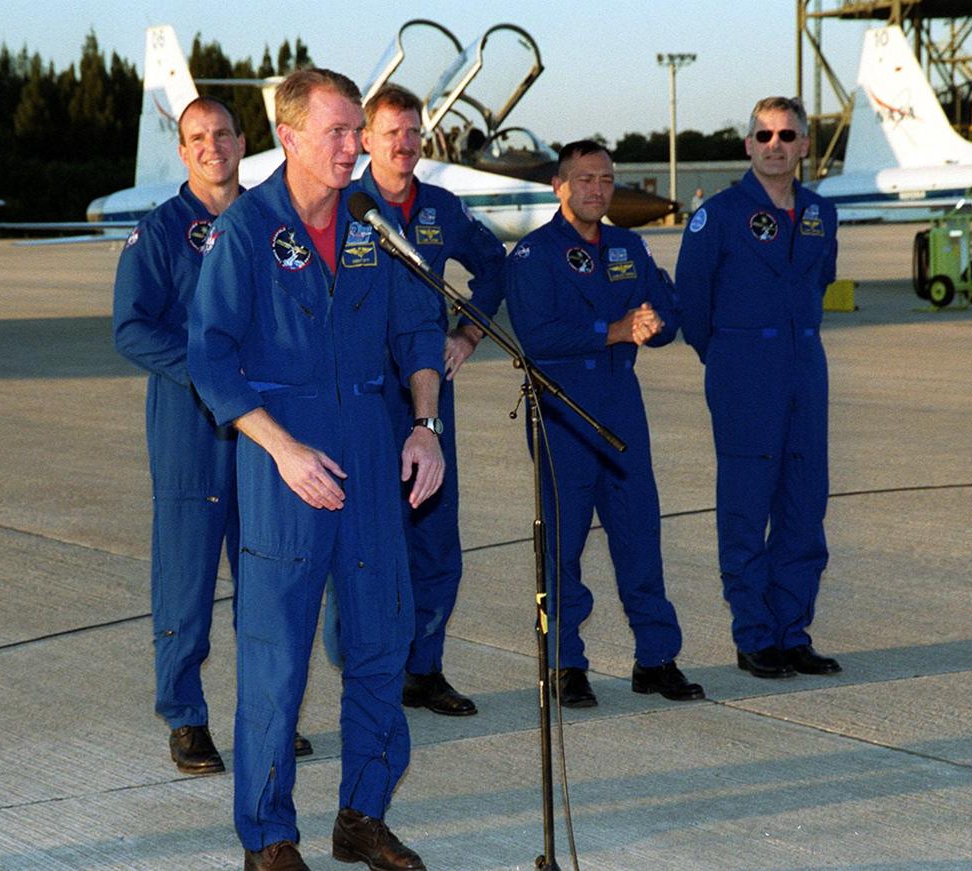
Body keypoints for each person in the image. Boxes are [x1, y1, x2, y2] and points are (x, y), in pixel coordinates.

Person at [188, 69, 443, 871]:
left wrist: (427, 425)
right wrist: (282, 446)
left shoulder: (371, 225)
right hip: (286, 462)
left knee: (378, 643)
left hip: (372, 449)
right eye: (337, 131)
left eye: (357, 130)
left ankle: (362, 815)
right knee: (277, 657)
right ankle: (268, 835)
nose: (354, 146)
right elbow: (210, 356)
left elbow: (419, 329)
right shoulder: (247, 230)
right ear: (289, 137)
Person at [114, 97, 322, 778]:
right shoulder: (161, 231)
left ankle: (269, 713)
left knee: (268, 576)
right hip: (193, 431)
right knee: (187, 579)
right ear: (183, 150)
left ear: (242, 141)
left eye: (223, 134)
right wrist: (207, 375)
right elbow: (133, 328)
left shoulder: (273, 223)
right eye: (197, 137)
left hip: (265, 431)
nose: (212, 146)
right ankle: (185, 716)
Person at [505, 140, 703, 707]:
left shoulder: (627, 247)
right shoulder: (533, 255)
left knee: (640, 534)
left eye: (606, 180)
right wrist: (614, 329)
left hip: (621, 407)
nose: (597, 189)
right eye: (585, 179)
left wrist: (653, 323)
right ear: (559, 186)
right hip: (563, 413)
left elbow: (665, 313)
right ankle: (566, 665)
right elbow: (538, 337)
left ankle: (657, 657)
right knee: (563, 545)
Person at [675, 96, 841, 680]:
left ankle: (793, 632)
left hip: (805, 369)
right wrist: (725, 354)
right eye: (764, 135)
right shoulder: (717, 214)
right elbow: (691, 299)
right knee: (746, 507)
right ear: (748, 145)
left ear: (803, 146)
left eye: (788, 135)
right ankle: (754, 636)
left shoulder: (821, 213)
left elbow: (821, 279)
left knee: (803, 504)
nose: (776, 145)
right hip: (744, 369)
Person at [354, 83, 507, 717]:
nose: (405, 143)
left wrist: (468, 333)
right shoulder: (344, 205)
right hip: (362, 396)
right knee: (364, 540)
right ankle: (369, 669)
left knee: (435, 532)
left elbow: (495, 266)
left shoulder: (442, 207)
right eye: (392, 132)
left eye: (413, 132)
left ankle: (424, 668)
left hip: (425, 391)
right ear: (366, 139)